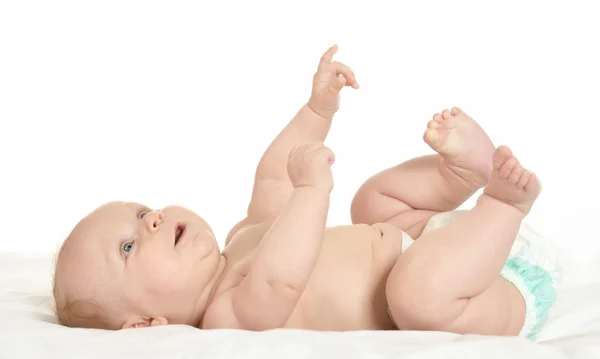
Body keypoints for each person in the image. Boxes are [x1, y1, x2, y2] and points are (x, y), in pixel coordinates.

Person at [53, 45, 560, 340]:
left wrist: (317, 112)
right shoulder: (227, 317)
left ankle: (458, 178)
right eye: (129, 245)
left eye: (143, 211)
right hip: (468, 294)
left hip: (437, 245)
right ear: (147, 324)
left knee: (371, 204)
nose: (152, 221)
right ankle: (505, 204)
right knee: (414, 295)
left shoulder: (244, 237)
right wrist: (314, 187)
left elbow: (274, 178)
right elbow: (281, 282)